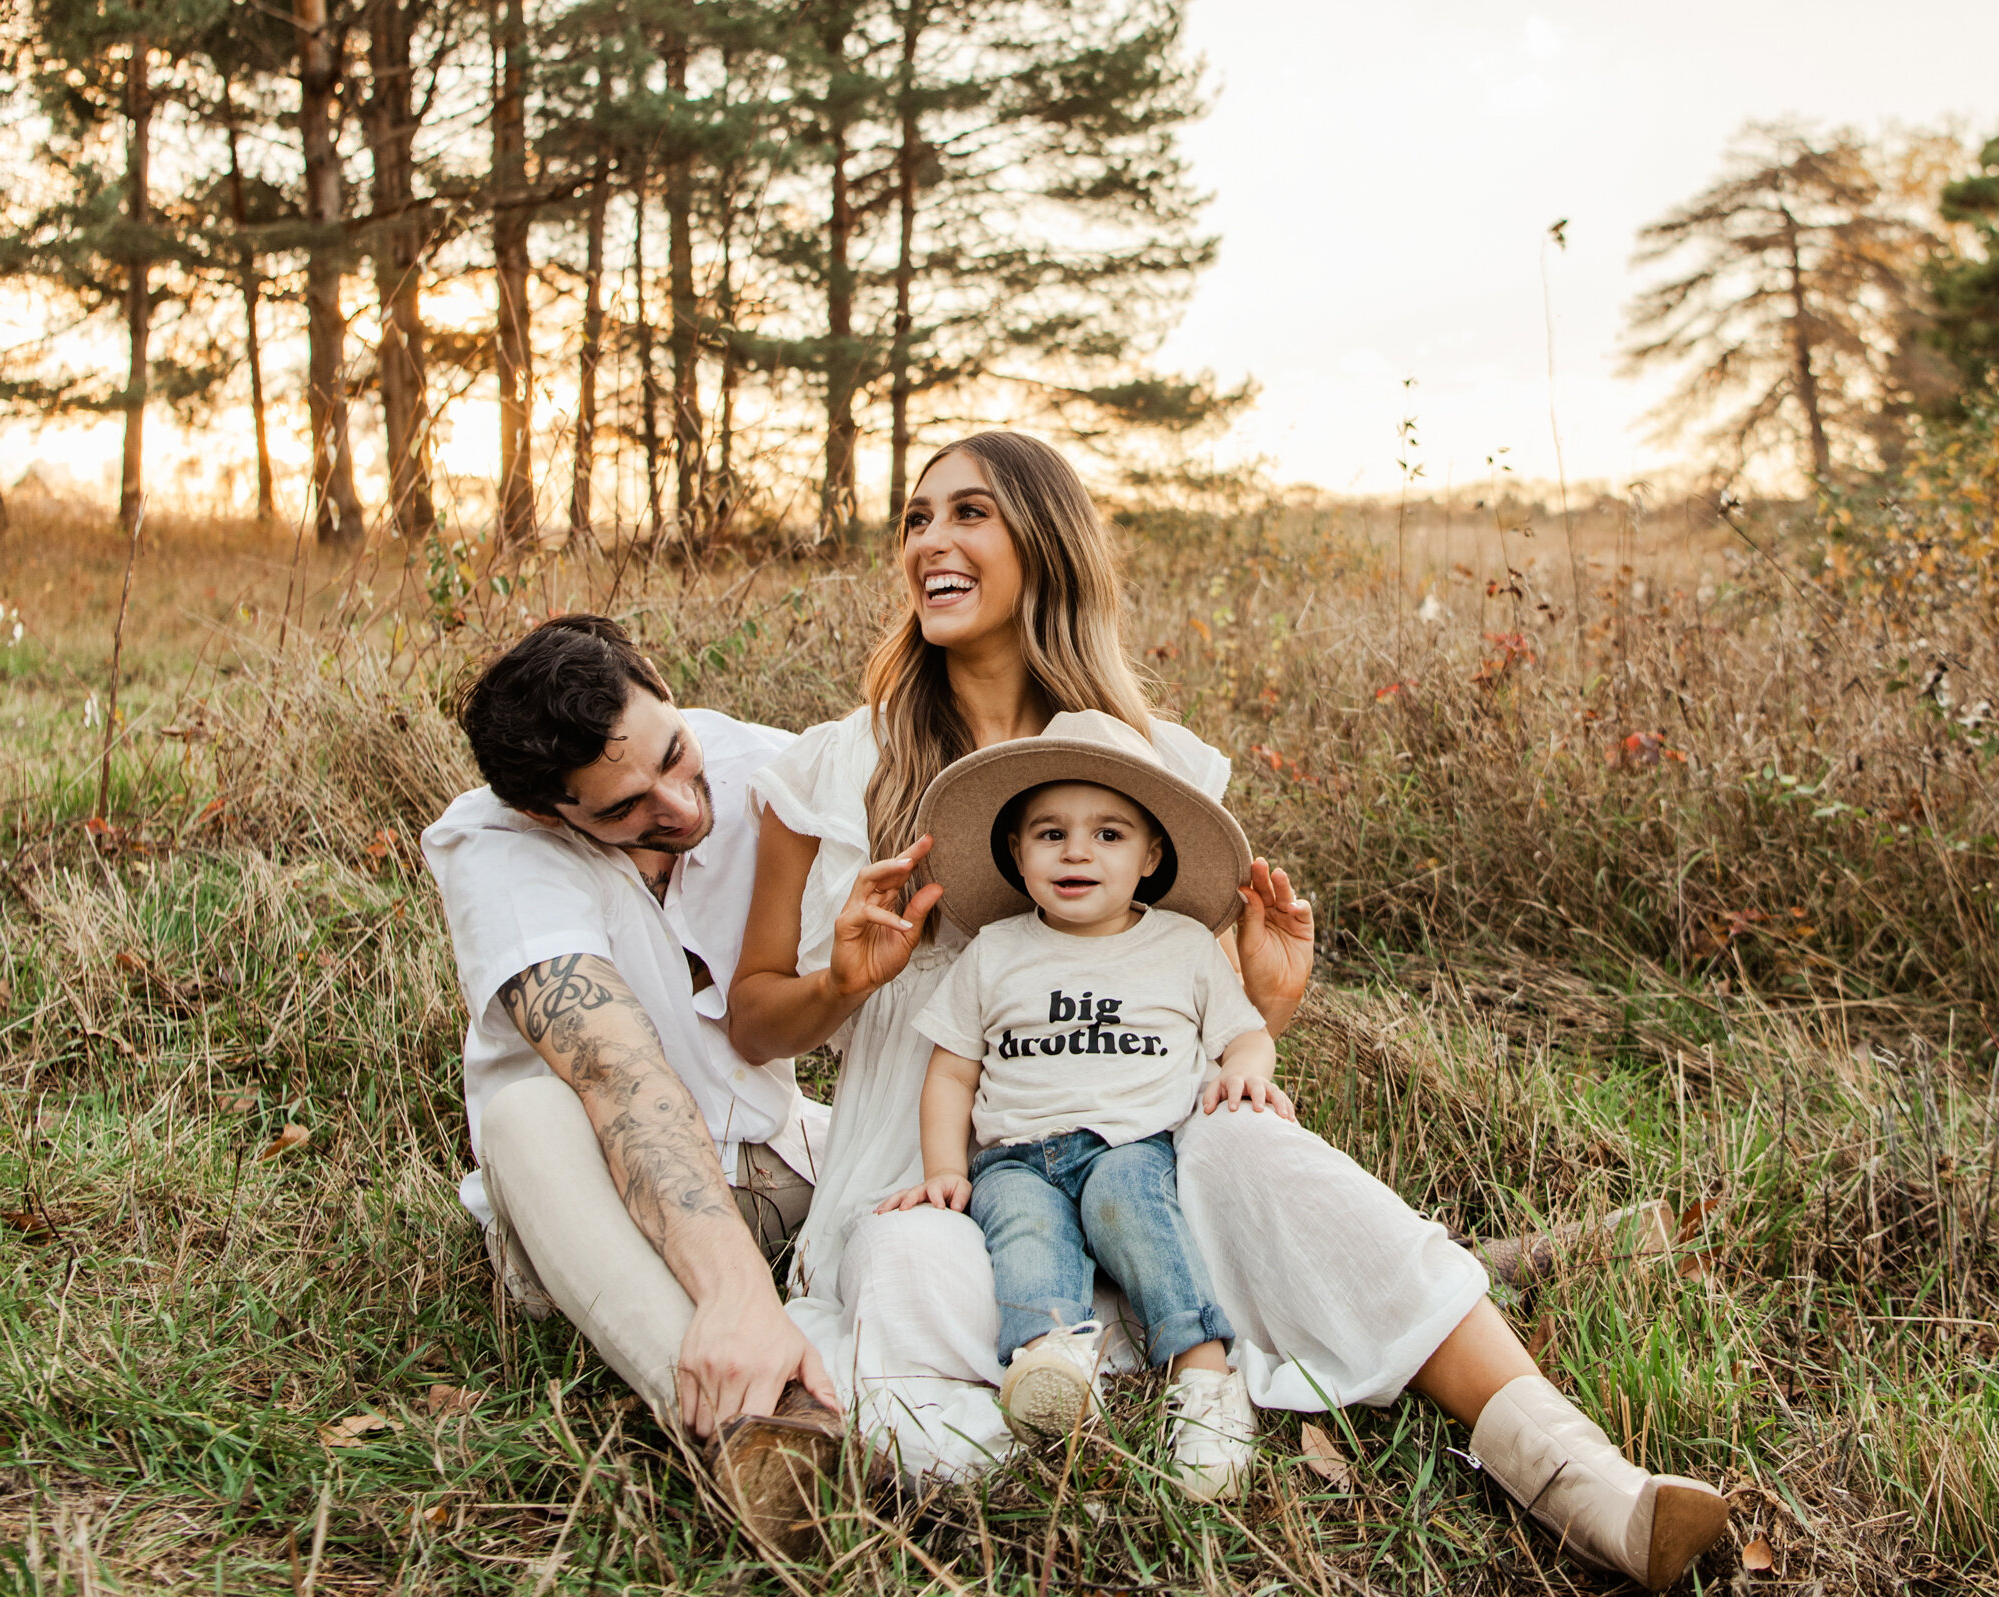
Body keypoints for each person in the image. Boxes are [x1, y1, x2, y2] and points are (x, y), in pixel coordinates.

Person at [728, 430, 1732, 1588]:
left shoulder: (1155, 771)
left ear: (1047, 544)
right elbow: (755, 1020)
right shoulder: (827, 767)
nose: (931, 543)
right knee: (934, 1295)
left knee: (1281, 1173)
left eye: (970, 514)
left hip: (1140, 1145)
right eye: (914, 519)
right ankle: (1154, 1374)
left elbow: (1195, 1022)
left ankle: (1583, 1478)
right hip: (935, 1166)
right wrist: (843, 983)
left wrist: (1268, 1006)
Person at [419, 615, 843, 1552]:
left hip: (784, 1154)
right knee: (530, 1109)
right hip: (602, 1207)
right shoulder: (496, 850)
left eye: (673, 753)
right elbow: (617, 1074)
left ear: (662, 685)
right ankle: (750, 1435)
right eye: (623, 809)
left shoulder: (762, 767)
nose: (680, 809)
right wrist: (739, 1290)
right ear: (548, 812)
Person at [876, 717, 1287, 1499]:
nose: (1076, 852)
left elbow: (1245, 1034)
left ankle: (1201, 1374)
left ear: (1151, 855)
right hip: (1014, 1153)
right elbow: (951, 1073)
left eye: (1108, 833)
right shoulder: (994, 950)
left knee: (1131, 1206)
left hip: (1130, 1142)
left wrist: (1245, 1072)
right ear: (1016, 853)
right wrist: (942, 1167)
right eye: (1050, 833)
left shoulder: (1182, 945)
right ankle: (1054, 1363)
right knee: (1023, 1229)